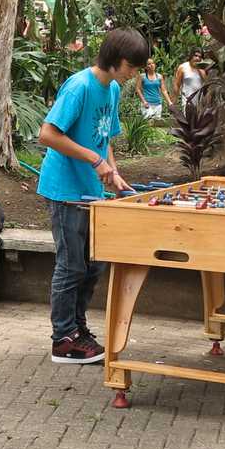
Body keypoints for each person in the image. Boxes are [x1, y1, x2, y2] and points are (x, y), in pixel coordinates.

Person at [37, 28, 149, 364]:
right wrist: (95, 160)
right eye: (133, 66)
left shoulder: (111, 89)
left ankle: (78, 330)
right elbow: (47, 134)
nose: (135, 74)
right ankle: (62, 340)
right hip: (65, 190)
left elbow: (104, 138)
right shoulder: (80, 87)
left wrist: (112, 172)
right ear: (116, 60)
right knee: (71, 266)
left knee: (93, 266)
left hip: (92, 192)